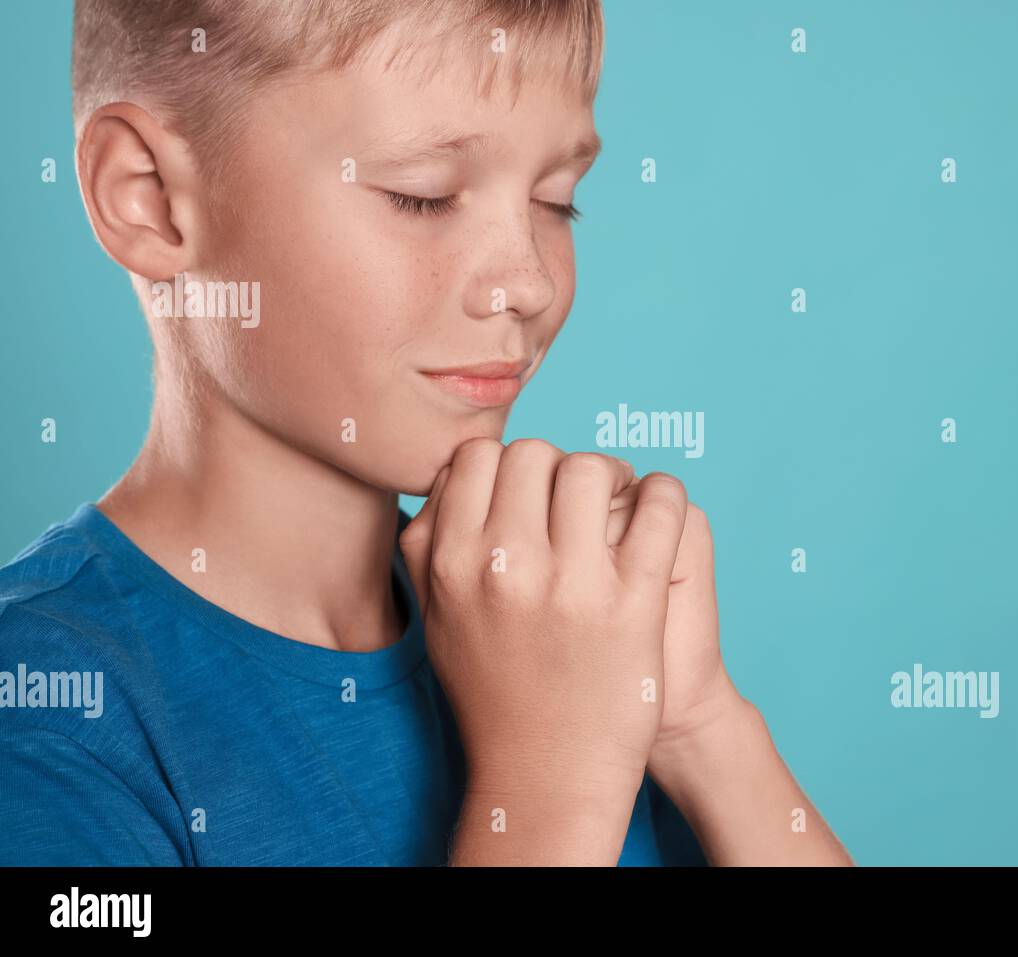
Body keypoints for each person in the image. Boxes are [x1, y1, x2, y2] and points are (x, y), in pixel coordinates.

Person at [0, 0, 852, 866]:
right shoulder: (44, 716)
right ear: (148, 198)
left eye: (558, 202)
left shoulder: (562, 630)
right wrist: (548, 780)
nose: (526, 282)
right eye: (424, 197)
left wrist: (702, 725)